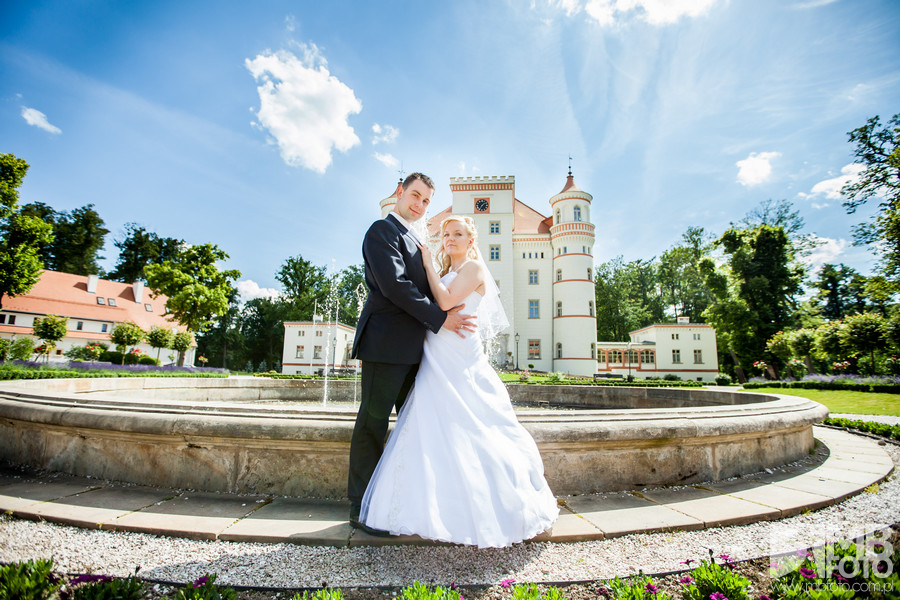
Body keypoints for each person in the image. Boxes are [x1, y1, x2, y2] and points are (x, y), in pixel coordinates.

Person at [359, 215, 559, 548]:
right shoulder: (445, 272)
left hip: (458, 356)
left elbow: (446, 302)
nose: (450, 238)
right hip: (435, 356)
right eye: (446, 234)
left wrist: (426, 262)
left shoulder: (475, 269)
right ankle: (425, 508)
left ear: (471, 240)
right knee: (431, 427)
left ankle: (494, 507)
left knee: (472, 421)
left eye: (459, 233)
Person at [348, 173, 475, 535]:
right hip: (385, 344)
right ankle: (360, 507)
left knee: (411, 429)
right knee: (372, 424)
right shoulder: (381, 231)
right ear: (400, 193)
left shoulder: (414, 237)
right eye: (415, 195)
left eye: (426, 201)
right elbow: (394, 286)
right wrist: (441, 319)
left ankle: (400, 504)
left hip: (415, 350)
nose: (419, 204)